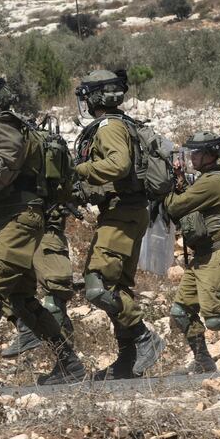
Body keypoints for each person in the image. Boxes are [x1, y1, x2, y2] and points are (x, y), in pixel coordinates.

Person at [0, 78, 86, 386]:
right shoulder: (18, 125)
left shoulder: (4, 125)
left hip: (19, 218)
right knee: (21, 299)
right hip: (19, 217)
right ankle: (68, 363)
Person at [73, 70, 165, 380]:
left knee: (97, 285)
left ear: (95, 98)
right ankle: (127, 360)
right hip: (130, 211)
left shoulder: (110, 126)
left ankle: (143, 336)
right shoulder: (125, 123)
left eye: (86, 96)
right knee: (118, 287)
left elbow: (118, 164)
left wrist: (80, 170)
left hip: (121, 212)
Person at [165, 131, 220, 372]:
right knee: (181, 311)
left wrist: (165, 187)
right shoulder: (207, 179)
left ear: (210, 155)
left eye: (197, 153)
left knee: (214, 319)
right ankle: (203, 360)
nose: (192, 157)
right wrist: (179, 179)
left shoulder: (212, 182)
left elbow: (176, 206)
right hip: (206, 256)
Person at [0, 207, 76, 358]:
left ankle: (67, 361)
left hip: (46, 225)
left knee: (55, 295)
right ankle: (27, 330)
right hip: (15, 226)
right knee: (7, 288)